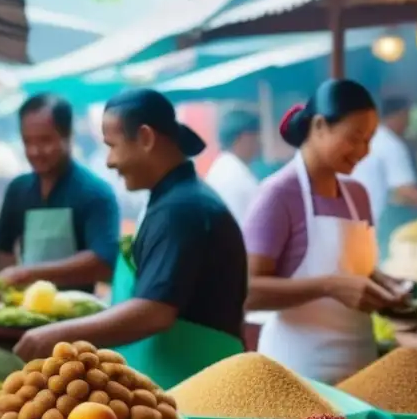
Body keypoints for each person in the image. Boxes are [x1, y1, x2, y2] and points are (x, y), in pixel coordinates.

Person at [13, 90, 247, 389]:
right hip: (176, 382)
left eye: (113, 146)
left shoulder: (182, 209)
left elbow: (154, 312)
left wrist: (57, 334)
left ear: (146, 138)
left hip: (198, 386)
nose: (110, 162)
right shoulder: (171, 200)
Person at [243, 79, 408, 384]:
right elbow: (248, 292)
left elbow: (356, 271)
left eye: (370, 140)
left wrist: (388, 287)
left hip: (361, 369)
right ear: (319, 126)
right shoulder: (278, 195)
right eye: (355, 137)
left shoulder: (357, 194)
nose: (364, 151)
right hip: (297, 374)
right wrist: (329, 286)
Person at [0, 94, 120, 293]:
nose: (35, 151)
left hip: (78, 314)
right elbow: (1, 246)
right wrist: (13, 285)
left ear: (68, 135)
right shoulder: (18, 189)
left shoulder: (95, 192)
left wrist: (28, 273)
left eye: (45, 140)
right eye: (27, 142)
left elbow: (104, 261)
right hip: (25, 308)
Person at [352, 96, 417, 255]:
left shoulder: (367, 138)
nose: (408, 124)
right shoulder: (391, 145)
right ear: (401, 115)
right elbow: (405, 192)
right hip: (378, 225)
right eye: (407, 117)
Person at [204, 110, 261, 224]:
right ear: (242, 138)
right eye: (254, 137)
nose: (259, 143)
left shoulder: (222, 167)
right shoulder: (236, 177)